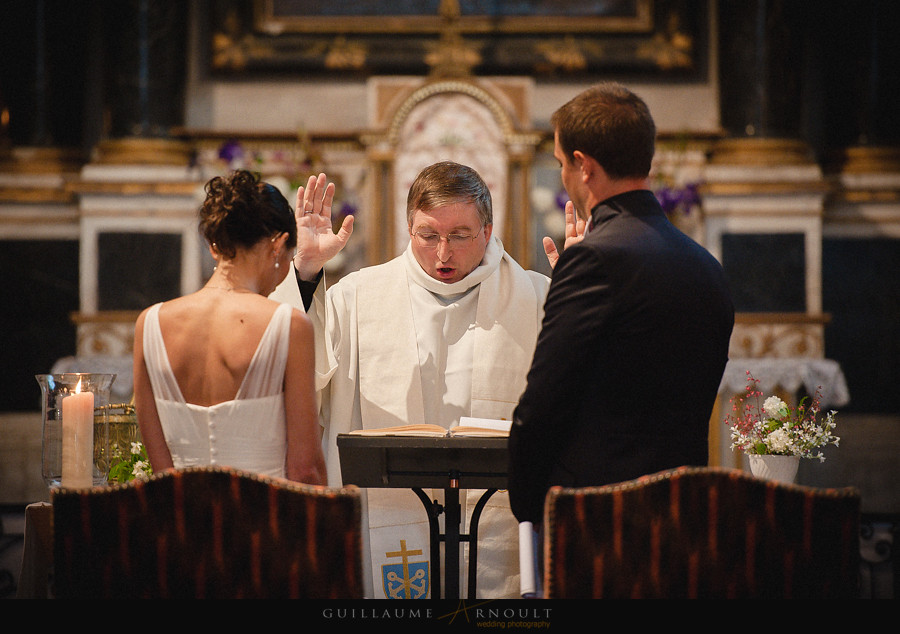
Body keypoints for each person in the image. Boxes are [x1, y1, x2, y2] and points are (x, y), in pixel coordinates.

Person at [271, 161, 550, 599]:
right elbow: (301, 372)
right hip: (388, 516)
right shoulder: (360, 297)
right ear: (409, 228)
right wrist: (304, 273)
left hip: (500, 521)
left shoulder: (537, 297)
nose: (443, 253)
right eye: (428, 235)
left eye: (460, 235)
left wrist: (587, 289)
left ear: (488, 229)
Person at [508, 83, 735, 525]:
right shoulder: (705, 264)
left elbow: (544, 405)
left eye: (560, 164)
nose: (563, 177)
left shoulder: (594, 259)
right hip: (683, 510)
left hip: (602, 518)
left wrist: (528, 508)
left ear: (583, 165)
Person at [133, 170, 327, 486]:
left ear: (214, 246)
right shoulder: (289, 325)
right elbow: (305, 470)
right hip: (264, 525)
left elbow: (160, 470)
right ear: (278, 246)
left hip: (183, 523)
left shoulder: (150, 323)